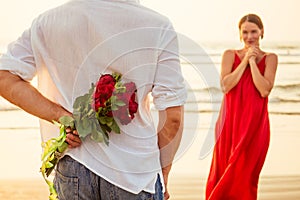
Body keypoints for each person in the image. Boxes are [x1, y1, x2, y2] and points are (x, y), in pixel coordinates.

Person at [0, 0, 187, 199]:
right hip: (134, 172)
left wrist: (62, 116)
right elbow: (173, 116)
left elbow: (5, 77)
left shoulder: (47, 22)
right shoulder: (158, 26)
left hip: (74, 165)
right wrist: (163, 172)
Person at [205, 13, 278, 200]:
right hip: (230, 123)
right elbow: (225, 85)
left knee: (246, 177)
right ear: (239, 34)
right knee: (223, 172)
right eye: (245, 32)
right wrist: (245, 60)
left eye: (253, 31)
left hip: (255, 126)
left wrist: (253, 62)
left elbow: (264, 90)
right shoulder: (230, 55)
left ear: (262, 32)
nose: (249, 37)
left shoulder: (270, 58)